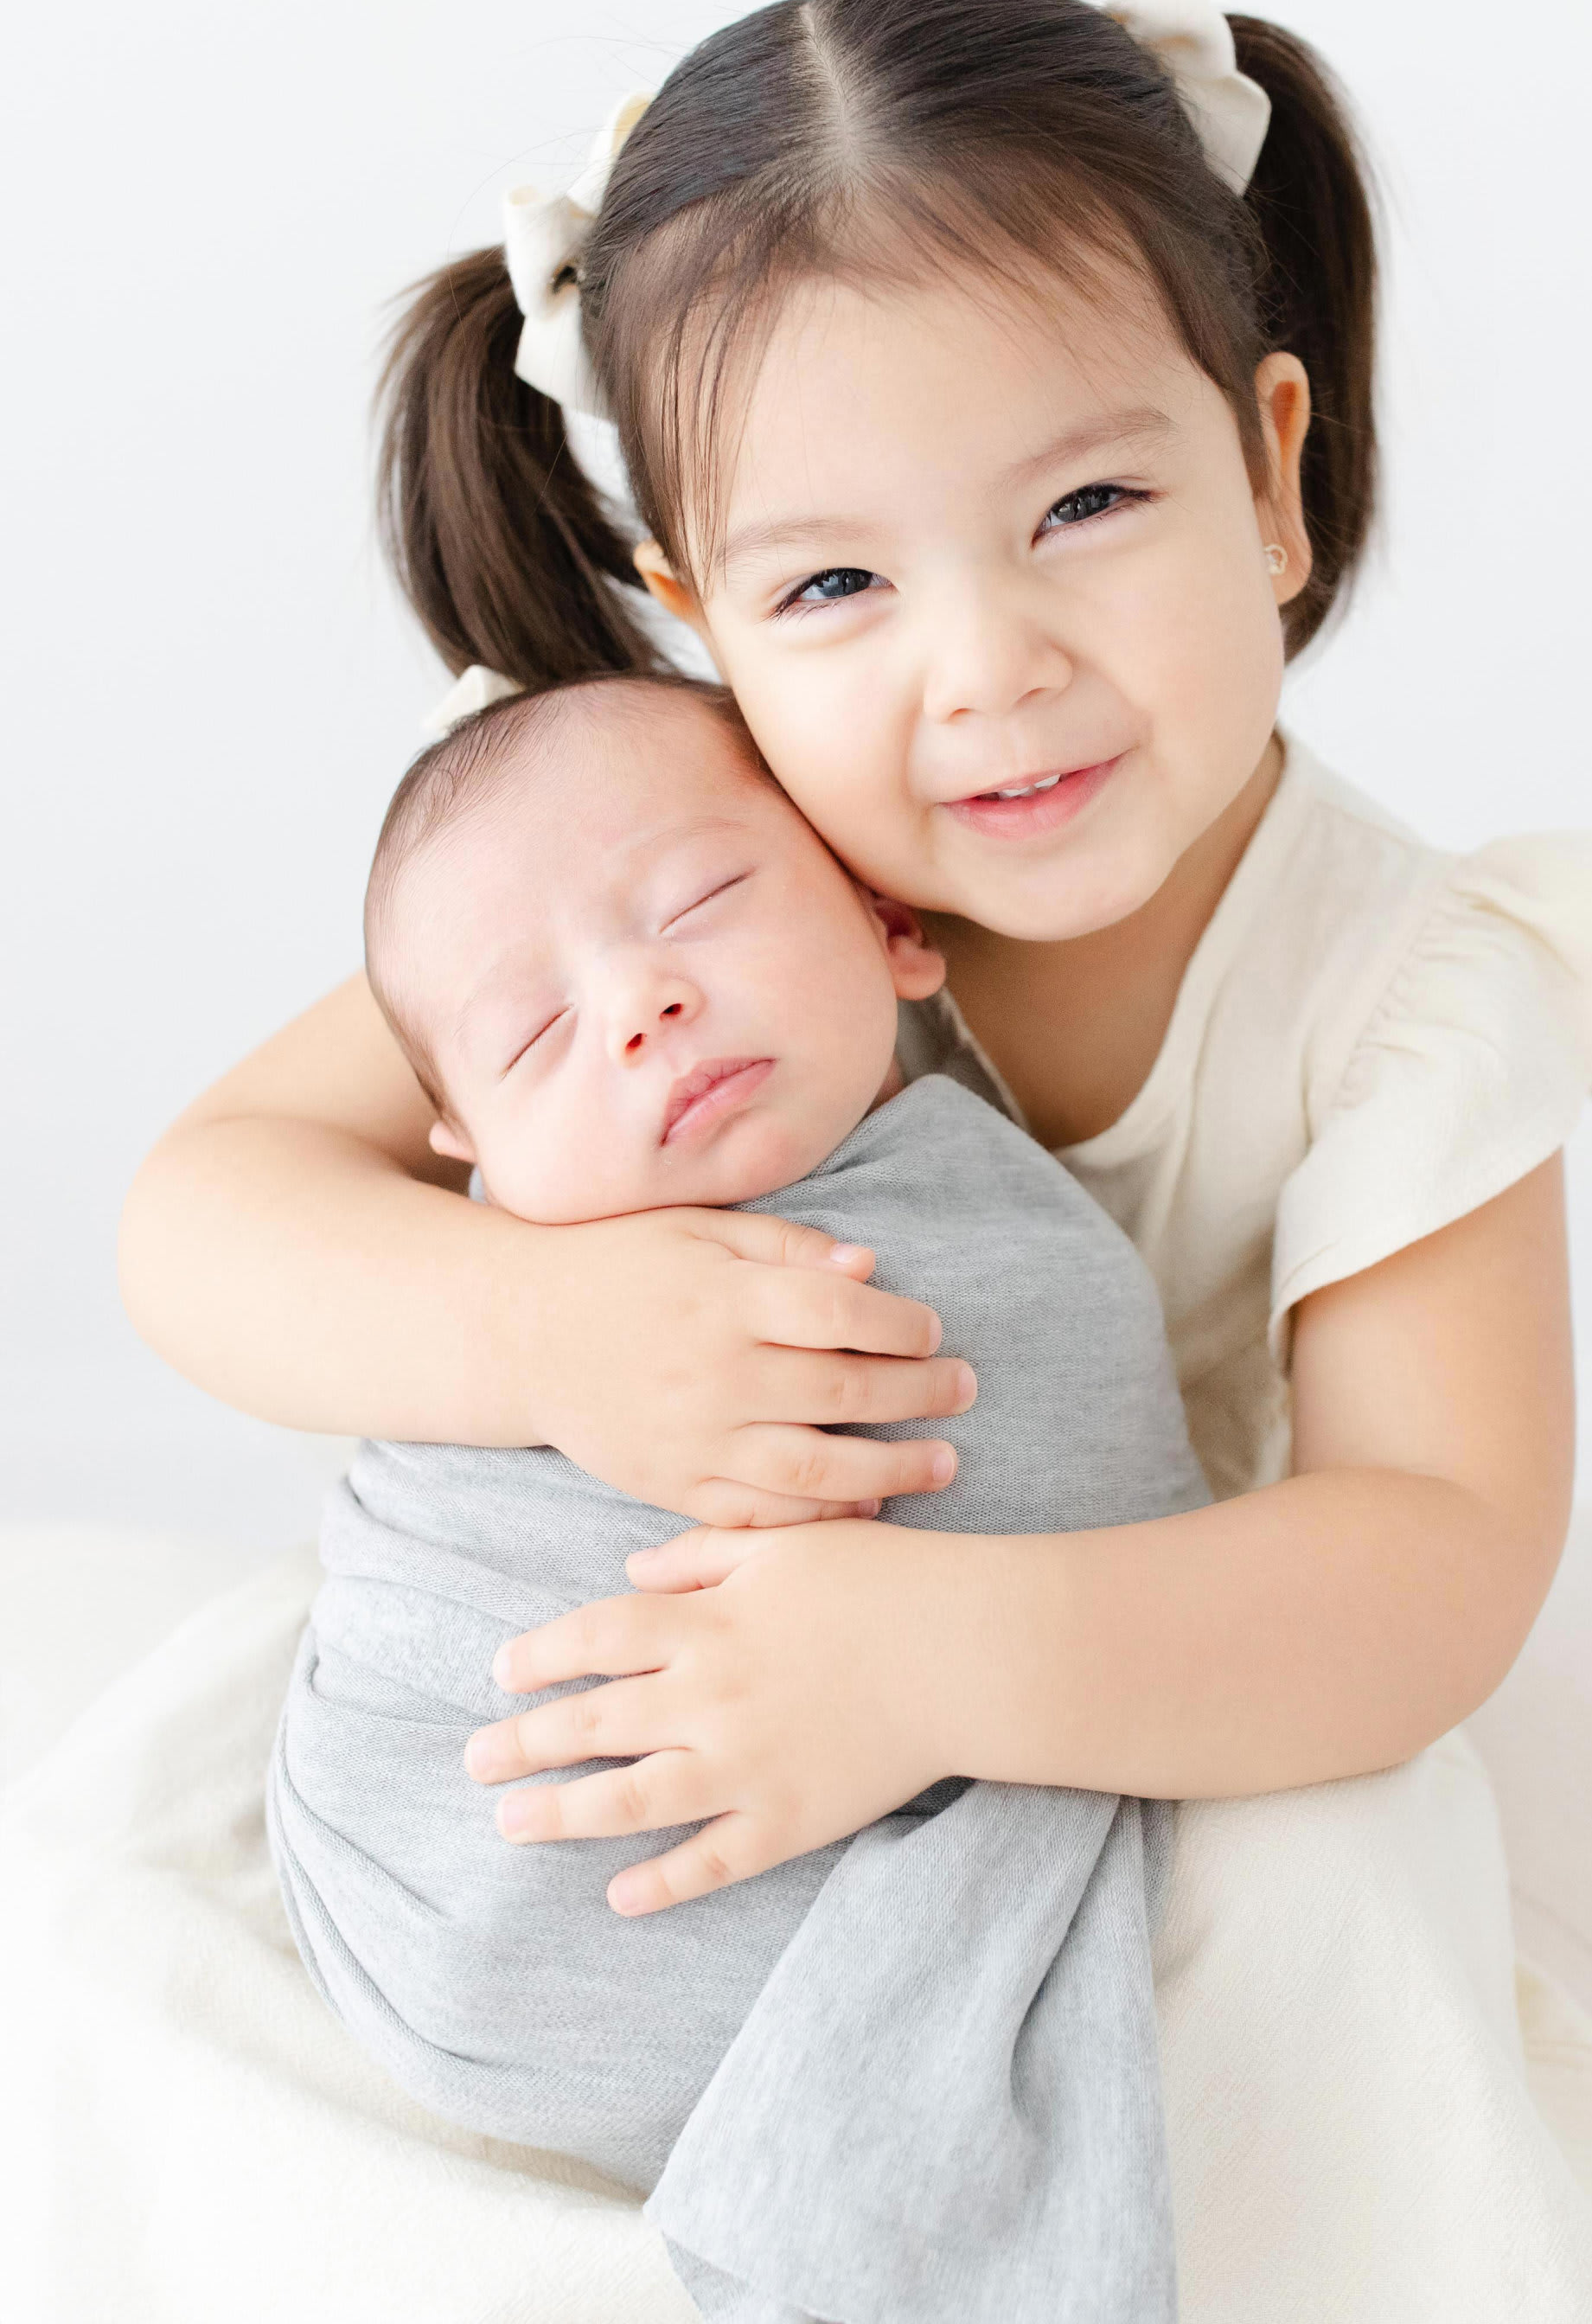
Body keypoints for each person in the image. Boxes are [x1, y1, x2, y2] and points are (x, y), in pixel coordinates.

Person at [122, 0, 1592, 2320]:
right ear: (699, 616)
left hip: (1140, 1685)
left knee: (1323, 1926)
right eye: (838, 584)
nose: (982, 670)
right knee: (175, 1916)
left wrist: (941, 1662)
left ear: (1269, 471)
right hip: (689, 1722)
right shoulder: (684, 861)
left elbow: (1433, 1557)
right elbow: (203, 1216)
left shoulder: (1400, 987)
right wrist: (533, 1321)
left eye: (1083, 501)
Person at [268, 668, 1206, 2322]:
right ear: (469, 1147)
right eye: (539, 1035)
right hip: (407, 1842)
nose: (638, 1003)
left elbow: (1117, 1546)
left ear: (891, 929)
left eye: (700, 903)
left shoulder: (1006, 1259)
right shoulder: (499, 1278)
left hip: (659, 1942)